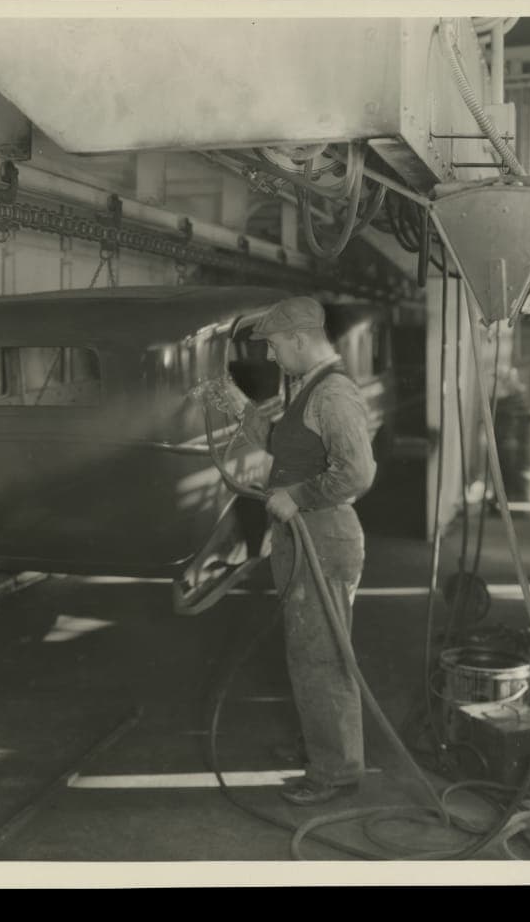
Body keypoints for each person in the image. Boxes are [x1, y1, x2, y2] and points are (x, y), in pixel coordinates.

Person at [205, 296, 377, 805]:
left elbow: (358, 475)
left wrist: (297, 496)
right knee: (310, 653)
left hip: (322, 537)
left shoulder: (334, 395)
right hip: (305, 539)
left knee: (320, 658)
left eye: (276, 347)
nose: (273, 358)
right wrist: (235, 404)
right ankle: (323, 748)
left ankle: (335, 771)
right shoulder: (307, 387)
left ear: (300, 340)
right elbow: (284, 442)